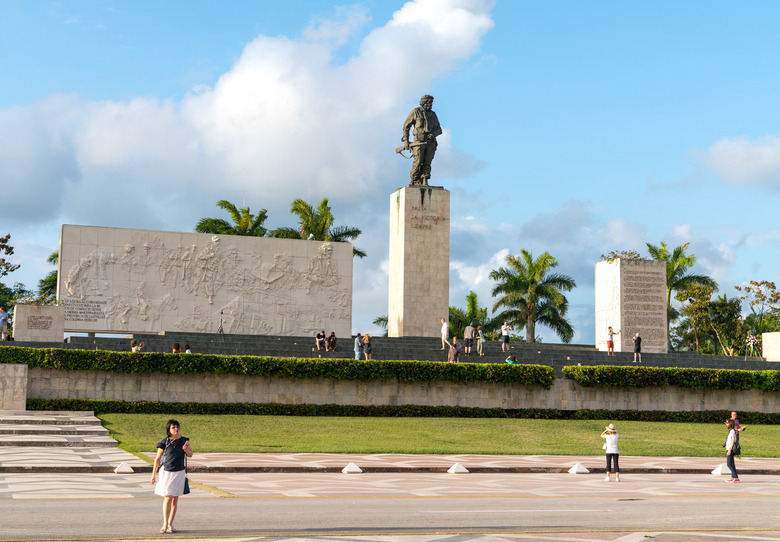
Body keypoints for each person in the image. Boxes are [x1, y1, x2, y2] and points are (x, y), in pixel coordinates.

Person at [151, 419, 193, 533]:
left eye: (177, 427)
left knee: (175, 500)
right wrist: (153, 474)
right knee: (168, 497)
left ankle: (170, 524)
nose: (176, 429)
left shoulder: (184, 440)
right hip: (167, 473)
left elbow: (190, 454)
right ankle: (164, 524)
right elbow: (158, 459)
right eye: (173, 427)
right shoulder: (164, 442)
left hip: (179, 472)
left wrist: (186, 449)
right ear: (169, 429)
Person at [401, 94, 442, 186]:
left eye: (431, 103)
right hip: (419, 141)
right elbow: (406, 126)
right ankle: (413, 179)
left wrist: (434, 134)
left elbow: (439, 129)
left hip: (431, 142)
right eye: (429, 102)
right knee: (418, 161)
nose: (430, 104)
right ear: (423, 103)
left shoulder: (433, 114)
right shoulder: (416, 111)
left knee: (427, 162)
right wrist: (406, 140)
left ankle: (425, 179)